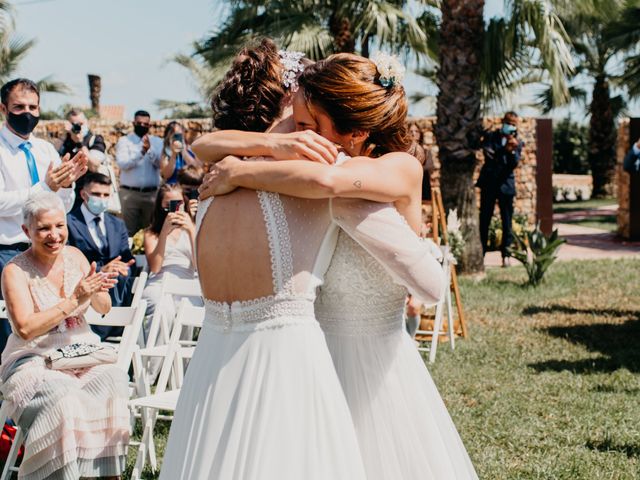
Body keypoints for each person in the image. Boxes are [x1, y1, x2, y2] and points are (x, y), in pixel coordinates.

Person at [196, 51, 478, 480]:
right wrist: (259, 151)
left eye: (311, 124)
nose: (301, 134)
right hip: (315, 355)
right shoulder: (314, 167)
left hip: (374, 359)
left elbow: (329, 182)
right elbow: (204, 145)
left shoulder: (396, 166)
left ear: (356, 131)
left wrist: (239, 172)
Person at [0, 191, 129, 480]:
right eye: (44, 228)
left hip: (80, 353)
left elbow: (103, 308)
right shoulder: (15, 271)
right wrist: (72, 301)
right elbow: (25, 329)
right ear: (26, 231)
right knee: (65, 396)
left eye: (59, 226)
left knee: (114, 379)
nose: (54, 235)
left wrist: (98, 290)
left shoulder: (75, 256)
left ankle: (108, 474)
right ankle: (67, 474)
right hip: (33, 359)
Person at [0, 78, 87, 353]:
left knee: (51, 329)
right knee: (13, 330)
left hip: (48, 251)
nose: (27, 113)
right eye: (19, 106)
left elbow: (61, 205)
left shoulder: (45, 149)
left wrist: (67, 184)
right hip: (8, 250)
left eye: (33, 107)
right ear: (3, 108)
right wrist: (45, 187)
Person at [66, 171, 136, 339]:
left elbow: (127, 259)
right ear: (83, 194)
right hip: (84, 288)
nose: (102, 198)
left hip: (118, 286)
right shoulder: (68, 221)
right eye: (97, 194)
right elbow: (67, 261)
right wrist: (101, 269)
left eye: (106, 195)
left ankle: (120, 329)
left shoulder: (117, 224)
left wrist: (123, 267)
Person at [141, 184, 197, 323]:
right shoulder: (151, 234)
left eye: (178, 204)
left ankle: (181, 346)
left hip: (187, 283)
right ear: (161, 206)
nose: (175, 208)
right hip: (160, 282)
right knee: (163, 310)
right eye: (169, 205)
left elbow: (198, 266)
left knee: (186, 311)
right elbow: (155, 268)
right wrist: (164, 233)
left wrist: (191, 229)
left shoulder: (195, 228)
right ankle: (154, 345)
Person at [477, 111, 524, 267]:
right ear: (503, 122)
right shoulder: (491, 137)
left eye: (513, 124)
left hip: (506, 186)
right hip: (489, 184)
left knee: (507, 222)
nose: (510, 126)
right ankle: (481, 254)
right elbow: (490, 156)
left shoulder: (517, 141)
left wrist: (511, 150)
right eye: (508, 122)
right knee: (485, 219)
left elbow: (513, 164)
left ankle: (506, 255)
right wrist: (505, 150)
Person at [115, 109, 163, 236]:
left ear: (149, 125)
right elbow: (123, 164)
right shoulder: (124, 141)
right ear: (134, 123)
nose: (142, 126)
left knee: (151, 232)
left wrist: (150, 151)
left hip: (152, 194)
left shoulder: (157, 142)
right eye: (139, 123)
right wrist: (141, 152)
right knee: (129, 232)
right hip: (129, 194)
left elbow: (161, 164)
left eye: (145, 124)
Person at [57, 108, 108, 210]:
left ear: (87, 123)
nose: (78, 127)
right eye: (74, 124)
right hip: (68, 195)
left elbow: (93, 166)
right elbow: (53, 158)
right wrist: (64, 136)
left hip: (89, 196)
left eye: (81, 123)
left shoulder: (95, 139)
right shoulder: (65, 140)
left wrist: (80, 143)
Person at [408, 121, 435, 202]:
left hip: (423, 184)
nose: (413, 134)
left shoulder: (426, 151)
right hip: (408, 184)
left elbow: (430, 166)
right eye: (411, 131)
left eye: (416, 131)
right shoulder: (404, 151)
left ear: (420, 134)